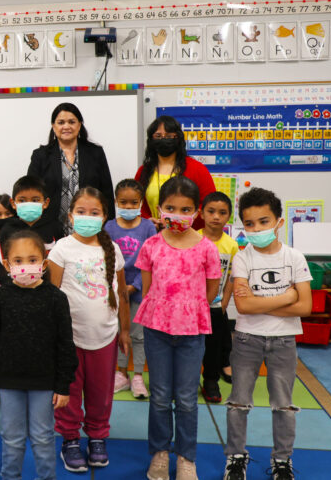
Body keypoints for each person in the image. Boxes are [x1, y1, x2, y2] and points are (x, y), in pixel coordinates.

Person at [133, 177, 222, 480]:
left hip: (191, 333)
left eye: (185, 209)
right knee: (159, 395)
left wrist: (188, 309)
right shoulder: (151, 245)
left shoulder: (207, 248)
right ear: (159, 209)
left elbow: (211, 290)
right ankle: (159, 453)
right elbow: (147, 289)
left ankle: (186, 457)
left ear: (196, 211)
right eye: (170, 208)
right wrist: (167, 310)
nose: (177, 215)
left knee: (185, 398)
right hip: (157, 330)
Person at [223, 187, 312, 480]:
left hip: (284, 341)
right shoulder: (242, 258)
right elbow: (244, 307)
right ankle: (236, 457)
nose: (257, 229)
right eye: (249, 224)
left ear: (279, 222)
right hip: (247, 339)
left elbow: (307, 306)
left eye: (264, 221)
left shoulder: (294, 257)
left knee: (283, 404)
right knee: (239, 401)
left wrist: (259, 304)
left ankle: (282, 460)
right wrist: (286, 298)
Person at [0, 229, 77, 480]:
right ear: (6, 264)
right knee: (11, 438)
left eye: (32, 260)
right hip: (9, 381)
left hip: (44, 382)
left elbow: (65, 343)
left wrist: (63, 385)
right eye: (18, 261)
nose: (26, 266)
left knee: (43, 436)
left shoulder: (56, 298)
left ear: (44, 262)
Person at [48, 187, 131, 473]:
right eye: (81, 212)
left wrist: (124, 331)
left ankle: (97, 436)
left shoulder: (112, 249)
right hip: (69, 338)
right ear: (70, 215)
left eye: (94, 213)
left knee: (100, 391)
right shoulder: (62, 248)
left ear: (105, 217)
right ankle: (70, 439)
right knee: (69, 391)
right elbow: (51, 294)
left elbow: (122, 293)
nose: (87, 217)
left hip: (105, 336)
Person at [105, 179, 156, 399]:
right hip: (116, 289)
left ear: (141, 202)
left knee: (139, 336)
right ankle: (121, 373)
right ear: (116, 201)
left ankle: (137, 376)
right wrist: (117, 286)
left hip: (138, 289)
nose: (128, 207)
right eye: (123, 202)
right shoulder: (109, 226)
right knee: (118, 332)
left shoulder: (148, 227)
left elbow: (151, 260)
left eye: (133, 202)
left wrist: (134, 286)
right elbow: (106, 258)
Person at [28, 102, 115, 231]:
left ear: (79, 125)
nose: (66, 126)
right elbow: (31, 193)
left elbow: (106, 192)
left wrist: (109, 226)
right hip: (49, 229)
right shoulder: (40, 155)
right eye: (61, 122)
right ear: (53, 126)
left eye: (72, 122)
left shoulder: (95, 153)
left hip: (89, 227)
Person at [135, 115, 216, 230]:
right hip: (153, 234)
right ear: (151, 140)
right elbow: (136, 203)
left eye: (169, 136)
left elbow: (209, 204)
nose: (163, 139)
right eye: (158, 136)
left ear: (178, 138)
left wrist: (183, 222)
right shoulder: (144, 171)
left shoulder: (197, 169)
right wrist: (147, 221)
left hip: (189, 235)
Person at [198, 191, 239, 404]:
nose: (216, 216)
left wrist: (224, 302)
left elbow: (232, 276)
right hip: (194, 304)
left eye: (222, 213)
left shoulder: (231, 245)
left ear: (229, 217)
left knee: (213, 344)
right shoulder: (194, 238)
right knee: (193, 344)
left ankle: (211, 380)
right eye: (211, 211)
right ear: (201, 213)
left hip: (215, 305)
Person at [0, 175, 64, 285]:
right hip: (14, 292)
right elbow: (1, 267)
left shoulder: (55, 228)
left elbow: (60, 262)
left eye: (35, 200)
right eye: (22, 200)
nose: (29, 204)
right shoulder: (7, 230)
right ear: (13, 203)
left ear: (45, 203)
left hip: (47, 291)